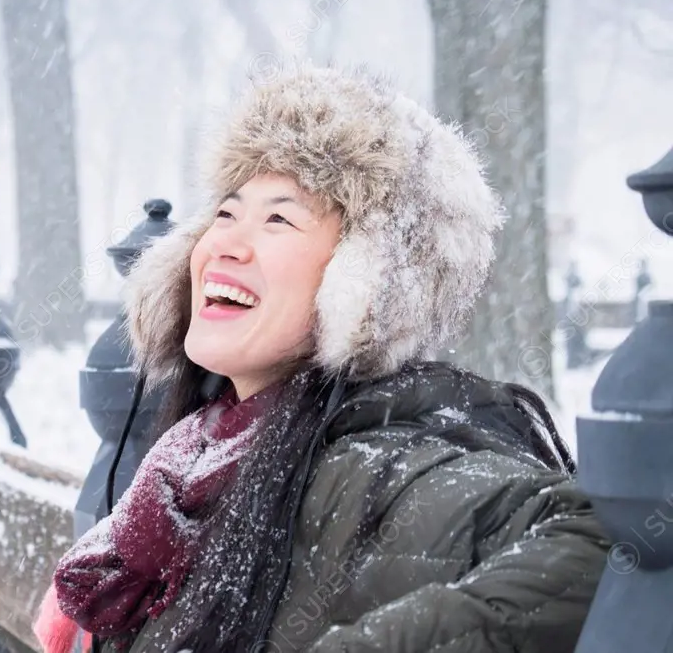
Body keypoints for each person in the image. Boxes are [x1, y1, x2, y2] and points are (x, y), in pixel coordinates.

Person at [34, 63, 610, 653]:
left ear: (366, 284)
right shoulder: (193, 462)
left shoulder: (382, 467)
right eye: (226, 214)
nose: (225, 242)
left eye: (278, 218)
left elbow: (606, 548)